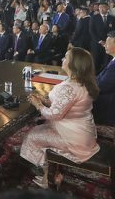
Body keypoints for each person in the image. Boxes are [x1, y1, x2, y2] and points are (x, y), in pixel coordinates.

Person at [20, 47, 100, 188]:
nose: (62, 59)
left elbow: (55, 114)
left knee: (31, 136)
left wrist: (38, 104)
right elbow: (65, 105)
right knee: (39, 129)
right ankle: (50, 169)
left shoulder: (69, 87)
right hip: (83, 132)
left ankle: (46, 177)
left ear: (73, 64)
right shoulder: (82, 82)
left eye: (65, 57)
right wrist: (45, 100)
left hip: (73, 137)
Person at [93, 31, 115, 125]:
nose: (104, 45)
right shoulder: (112, 60)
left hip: (108, 107)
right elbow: (99, 78)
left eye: (107, 42)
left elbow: (102, 85)